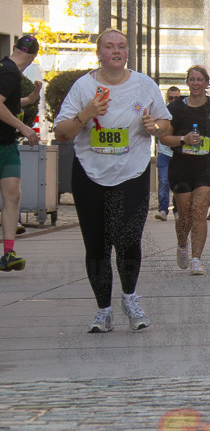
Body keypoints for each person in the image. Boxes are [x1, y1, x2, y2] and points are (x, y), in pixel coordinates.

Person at [53, 28, 171, 331]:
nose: (116, 51)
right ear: (99, 53)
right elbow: (62, 133)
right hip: (89, 173)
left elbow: (165, 123)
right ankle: (103, 310)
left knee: (129, 240)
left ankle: (130, 298)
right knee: (97, 246)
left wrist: (153, 127)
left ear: (127, 52)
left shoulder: (144, 85)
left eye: (121, 46)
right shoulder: (82, 87)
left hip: (131, 172)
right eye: (109, 46)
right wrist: (85, 114)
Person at [160, 65, 210, 275]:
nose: (195, 83)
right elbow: (164, 137)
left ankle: (196, 259)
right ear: (187, 82)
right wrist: (183, 139)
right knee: (184, 215)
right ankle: (182, 244)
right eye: (191, 79)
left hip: (207, 167)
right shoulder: (175, 109)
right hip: (182, 167)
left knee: (199, 211)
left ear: (206, 83)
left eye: (199, 79)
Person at [0, 35, 42, 271]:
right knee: (11, 198)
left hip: (7, 145)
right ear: (35, 56)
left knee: (13, 196)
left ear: (15, 48)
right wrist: (24, 127)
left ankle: (8, 254)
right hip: (4, 143)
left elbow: (10, 103)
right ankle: (7, 252)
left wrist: (31, 98)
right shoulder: (9, 72)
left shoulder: (6, 68)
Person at [153, 86, 180, 221]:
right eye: (171, 98)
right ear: (167, 98)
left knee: (178, 182)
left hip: (179, 153)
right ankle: (163, 210)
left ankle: (177, 209)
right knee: (163, 181)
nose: (173, 100)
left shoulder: (183, 111)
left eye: (176, 98)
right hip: (164, 153)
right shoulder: (161, 112)